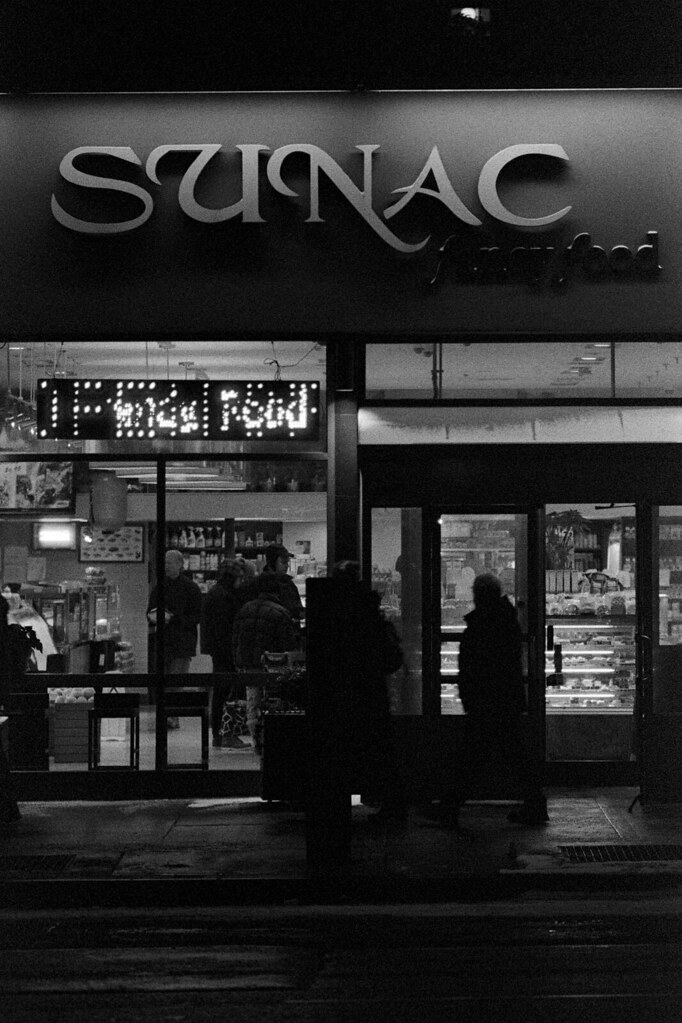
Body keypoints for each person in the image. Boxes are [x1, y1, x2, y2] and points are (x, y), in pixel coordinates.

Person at [422, 572, 548, 827]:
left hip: (488, 701)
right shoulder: (504, 619)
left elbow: (477, 663)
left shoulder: (485, 622)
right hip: (503, 699)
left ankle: (450, 807)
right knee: (506, 755)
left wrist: (469, 693)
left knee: (473, 757)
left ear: (480, 595)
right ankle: (534, 804)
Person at [332, 560, 407, 822]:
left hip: (354, 692)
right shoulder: (371, 610)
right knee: (380, 751)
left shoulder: (344, 613)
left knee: (354, 750)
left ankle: (368, 802)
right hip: (373, 691)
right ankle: (390, 803)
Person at [232, 572, 298, 753]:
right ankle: (270, 741)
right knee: (273, 702)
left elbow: (235, 639)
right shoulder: (281, 612)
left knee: (252, 702)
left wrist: (238, 661)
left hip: (248, 665)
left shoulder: (244, 609)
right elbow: (288, 645)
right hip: (273, 666)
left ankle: (256, 741)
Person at [147, 550, 203, 727]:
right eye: (164, 563)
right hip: (163, 641)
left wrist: (174, 618)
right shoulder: (159, 587)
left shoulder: (191, 588)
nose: (166, 566)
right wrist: (153, 616)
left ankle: (172, 716)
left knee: (176, 681)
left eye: (169, 563)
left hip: (182, 642)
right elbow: (149, 611)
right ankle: (165, 714)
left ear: (180, 564)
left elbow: (197, 616)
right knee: (162, 681)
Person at [201, 559, 249, 748]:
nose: (241, 582)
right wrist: (234, 650)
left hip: (217, 650)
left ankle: (219, 734)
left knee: (220, 692)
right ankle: (226, 733)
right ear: (232, 577)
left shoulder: (215, 593)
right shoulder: (224, 597)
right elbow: (224, 628)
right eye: (240, 578)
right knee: (228, 693)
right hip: (225, 650)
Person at [260, 545, 304, 630]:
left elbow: (298, 610)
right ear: (272, 562)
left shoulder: (289, 584)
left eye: (287, 562)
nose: (287, 566)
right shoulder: (261, 584)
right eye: (283, 562)